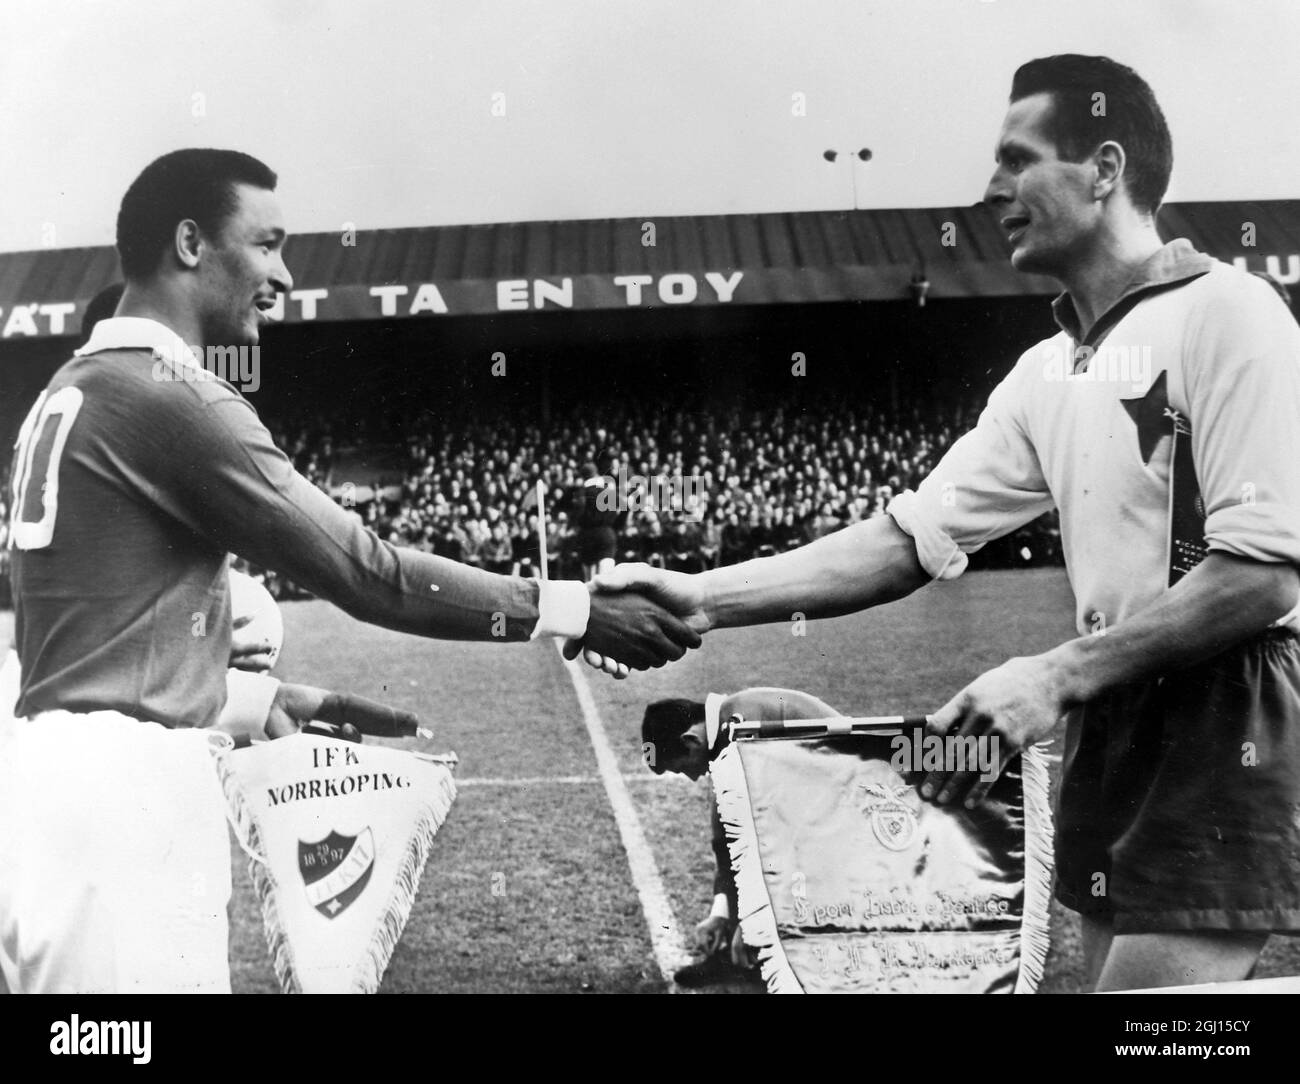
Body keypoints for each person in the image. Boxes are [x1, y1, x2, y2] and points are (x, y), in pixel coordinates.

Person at [587, 55, 1300, 992]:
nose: (992, 188)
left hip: (1220, 707)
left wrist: (1052, 675)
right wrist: (703, 596)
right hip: (1110, 713)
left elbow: (1266, 571)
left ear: (1105, 169)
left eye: (1018, 158)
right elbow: (905, 540)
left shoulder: (1231, 313)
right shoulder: (1048, 369)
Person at [0, 148, 699, 994]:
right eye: (267, 245)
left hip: (46, 793)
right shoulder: (169, 395)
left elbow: (90, 640)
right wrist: (576, 609)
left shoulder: (66, 392)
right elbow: (371, 574)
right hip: (125, 809)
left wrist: (259, 699)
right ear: (190, 242)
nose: (285, 275)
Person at [642, 686, 841, 988]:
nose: (693, 777)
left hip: (848, 810)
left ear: (691, 741)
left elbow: (776, 836)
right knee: (725, 821)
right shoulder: (724, 727)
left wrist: (753, 922)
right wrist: (721, 912)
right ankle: (747, 951)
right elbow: (726, 839)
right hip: (822, 803)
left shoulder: (741, 731)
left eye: (684, 770)